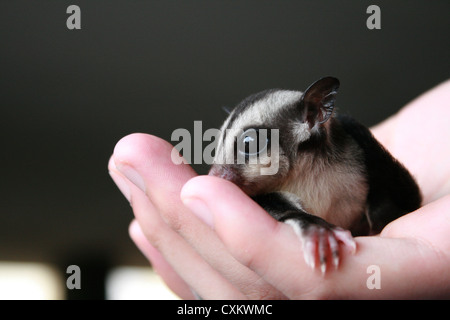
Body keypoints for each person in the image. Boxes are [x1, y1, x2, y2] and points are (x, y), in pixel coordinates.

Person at [108, 79, 450, 299]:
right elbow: (279, 208)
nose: (218, 175)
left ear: (313, 115)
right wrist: (307, 224)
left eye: (249, 145)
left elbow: (403, 197)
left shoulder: (355, 153)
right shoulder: (269, 191)